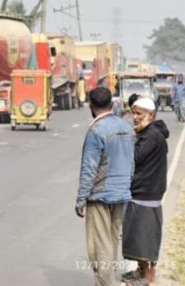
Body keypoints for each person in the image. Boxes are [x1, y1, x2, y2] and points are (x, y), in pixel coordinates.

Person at [75, 87, 136, 286]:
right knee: (111, 242)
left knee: (100, 248)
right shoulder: (127, 127)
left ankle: (105, 283)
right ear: (111, 104)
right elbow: (132, 163)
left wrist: (81, 199)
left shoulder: (96, 130)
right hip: (121, 194)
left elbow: (89, 169)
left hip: (100, 195)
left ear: (91, 106)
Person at [121, 98, 169, 286]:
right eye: (132, 113)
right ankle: (141, 272)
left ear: (151, 115)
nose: (134, 117)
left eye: (138, 113)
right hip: (142, 189)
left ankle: (150, 279)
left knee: (145, 236)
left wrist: (128, 141)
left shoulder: (151, 134)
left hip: (147, 190)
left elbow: (136, 157)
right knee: (138, 235)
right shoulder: (147, 131)